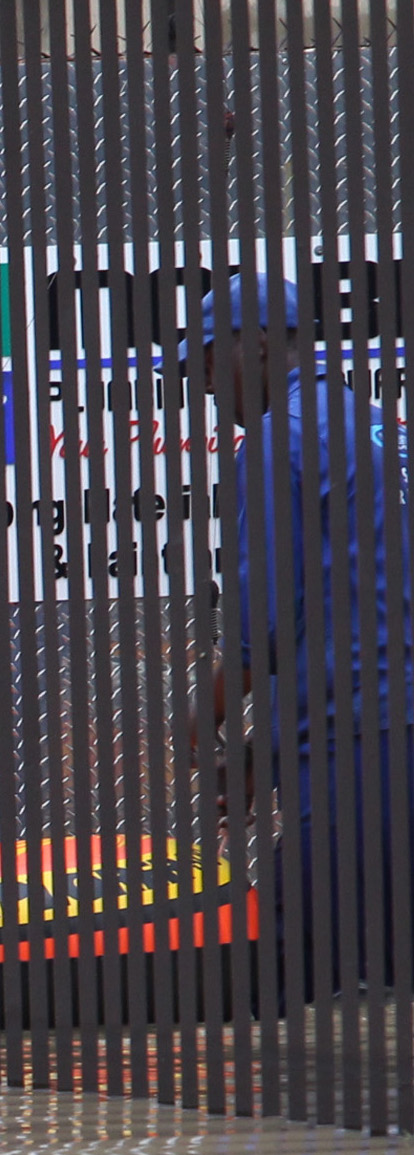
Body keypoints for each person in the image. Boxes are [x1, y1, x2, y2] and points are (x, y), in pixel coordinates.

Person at [195, 272, 409, 985]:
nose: (202, 386)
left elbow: (262, 628)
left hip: (363, 742)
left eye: (204, 361)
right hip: (374, 728)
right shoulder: (375, 425)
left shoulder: (274, 441)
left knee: (285, 965)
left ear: (253, 345)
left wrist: (204, 715)